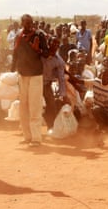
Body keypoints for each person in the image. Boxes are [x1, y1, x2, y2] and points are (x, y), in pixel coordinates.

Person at [11, 14, 49, 147]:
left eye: (30, 22)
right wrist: (12, 69)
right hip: (22, 74)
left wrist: (37, 49)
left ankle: (36, 138)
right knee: (23, 107)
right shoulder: (19, 36)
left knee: (34, 107)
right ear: (22, 23)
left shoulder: (39, 35)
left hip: (35, 75)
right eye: (26, 23)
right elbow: (15, 53)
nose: (29, 25)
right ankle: (27, 136)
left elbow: (46, 53)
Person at [42, 36, 66, 132]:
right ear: (48, 43)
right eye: (53, 43)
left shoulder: (59, 61)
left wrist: (62, 94)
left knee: (51, 106)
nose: (55, 46)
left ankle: (50, 127)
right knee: (34, 106)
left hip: (47, 85)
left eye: (57, 44)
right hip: (35, 83)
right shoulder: (40, 53)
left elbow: (61, 78)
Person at [86, 67, 108, 133]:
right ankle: (101, 125)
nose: (105, 77)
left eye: (107, 75)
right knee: (95, 109)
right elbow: (81, 81)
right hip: (100, 108)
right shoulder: (95, 82)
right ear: (101, 75)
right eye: (104, 75)